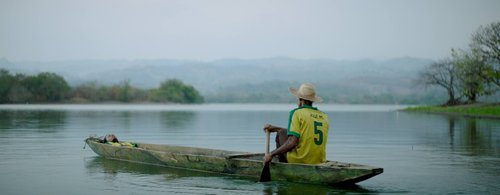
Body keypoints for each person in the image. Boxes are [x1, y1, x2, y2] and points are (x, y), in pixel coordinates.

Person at [263, 83, 329, 165]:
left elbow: (292, 142)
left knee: (281, 133)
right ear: (312, 100)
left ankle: (283, 166)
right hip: (318, 161)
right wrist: (275, 128)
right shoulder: (324, 116)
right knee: (283, 131)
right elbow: (304, 133)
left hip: (300, 160)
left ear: (300, 99)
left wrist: (271, 154)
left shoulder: (297, 113)